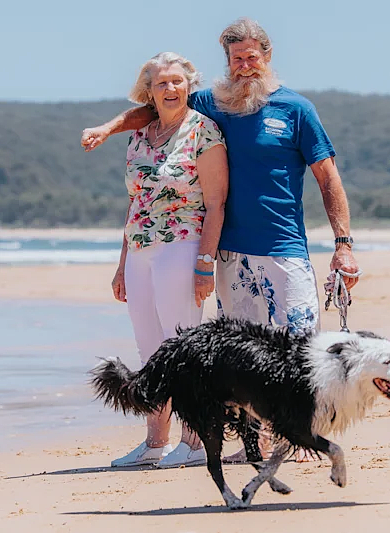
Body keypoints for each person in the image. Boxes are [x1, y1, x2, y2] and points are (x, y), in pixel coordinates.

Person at [82, 19, 359, 462]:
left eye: (252, 57)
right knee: (244, 357)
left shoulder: (296, 109)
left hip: (283, 247)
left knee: (299, 343)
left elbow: (328, 179)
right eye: (236, 58)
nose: (245, 66)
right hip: (230, 253)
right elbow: (154, 110)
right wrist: (109, 127)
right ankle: (257, 443)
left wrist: (343, 245)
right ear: (227, 61)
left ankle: (303, 436)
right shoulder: (213, 103)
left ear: (267, 56)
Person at [103, 52, 228, 468]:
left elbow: (217, 203)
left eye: (177, 81)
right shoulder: (141, 136)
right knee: (150, 350)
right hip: (140, 250)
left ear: (189, 85)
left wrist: (204, 264)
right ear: (149, 91)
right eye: (162, 83)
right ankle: (154, 443)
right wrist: (122, 264)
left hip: (183, 245)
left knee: (183, 348)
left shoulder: (203, 130)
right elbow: (135, 203)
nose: (170, 88)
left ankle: (195, 442)